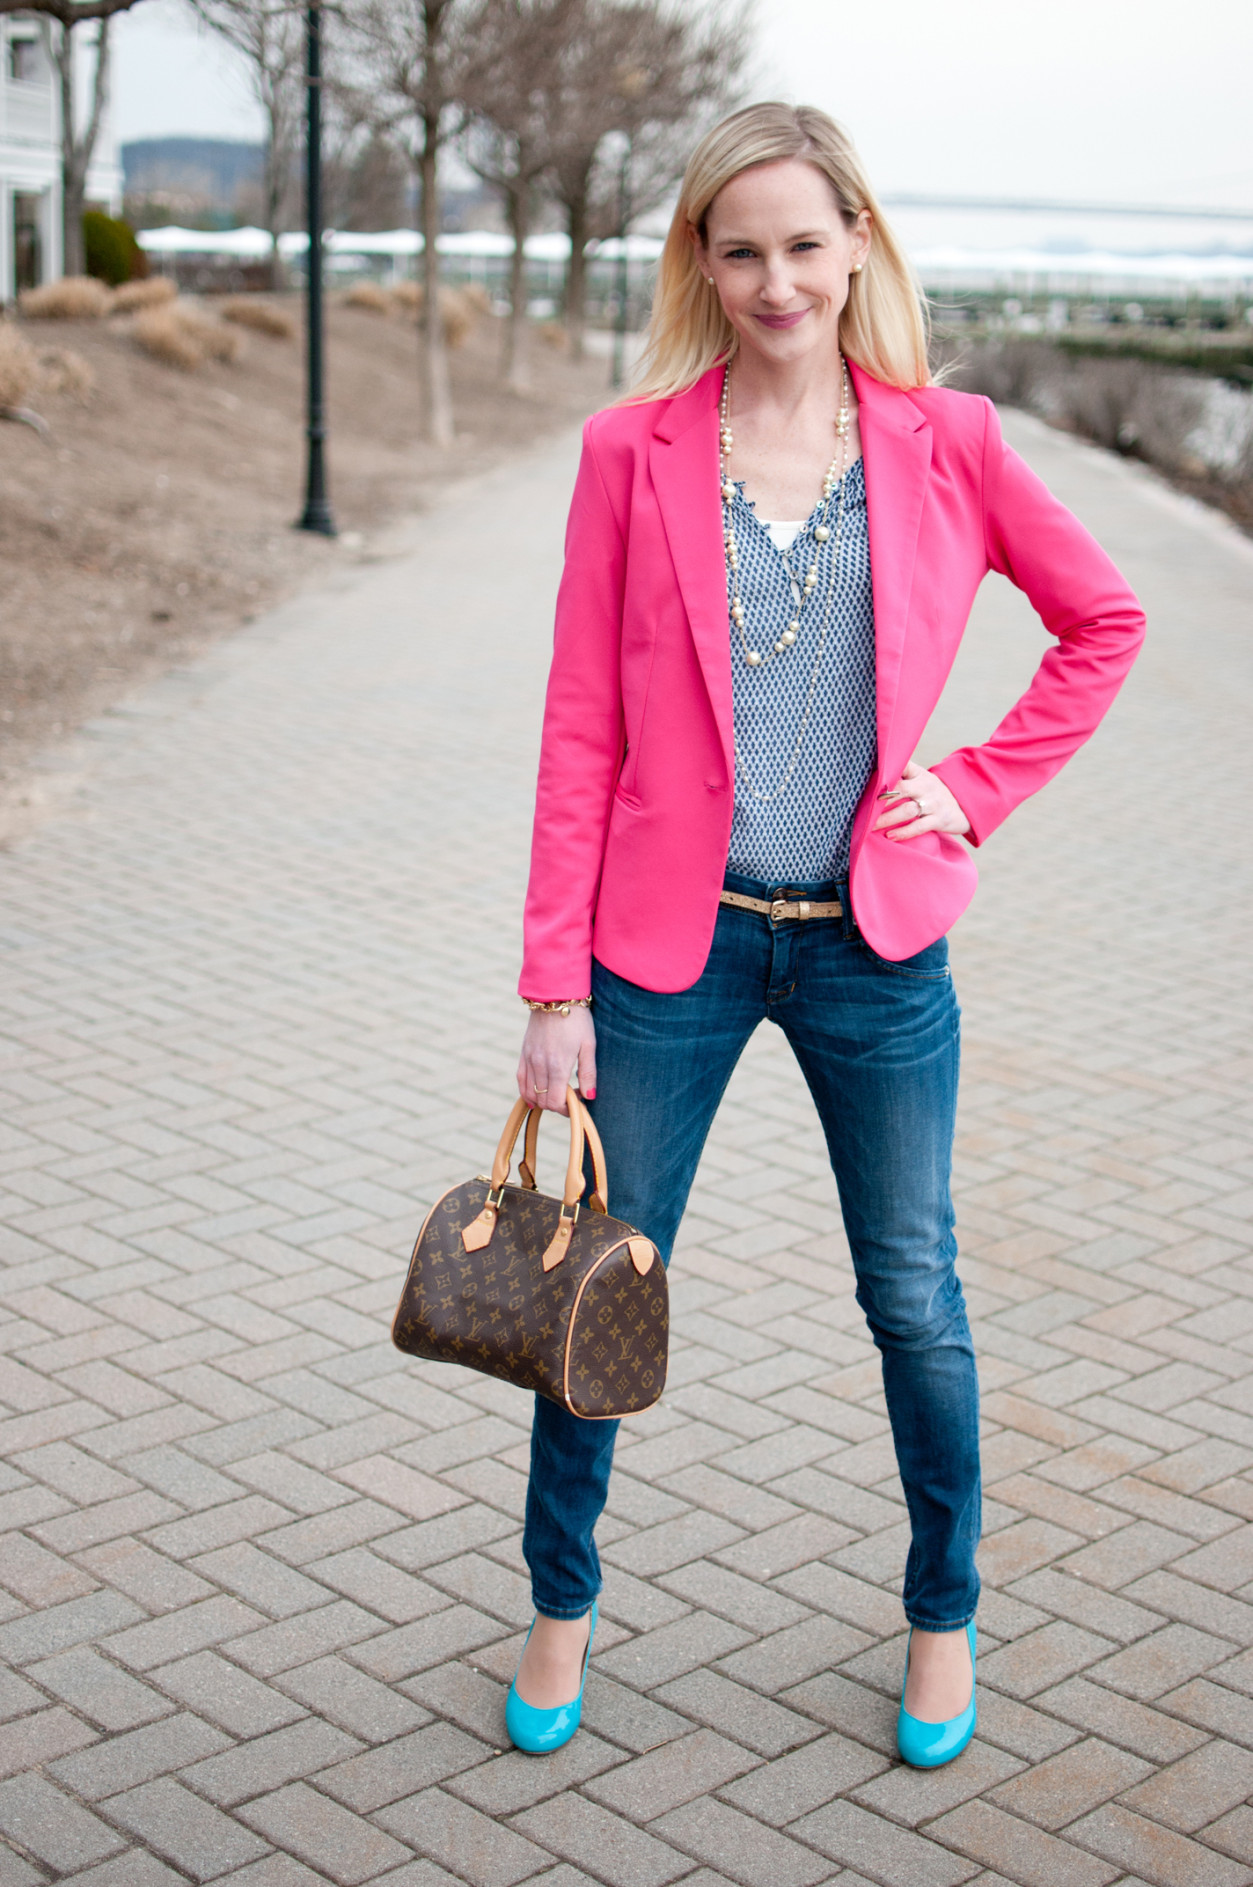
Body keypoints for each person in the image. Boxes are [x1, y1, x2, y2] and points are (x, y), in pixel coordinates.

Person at [507, 102, 1144, 1766]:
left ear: (856, 244)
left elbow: (1104, 619)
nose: (776, 278)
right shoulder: (627, 453)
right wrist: (547, 986)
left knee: (914, 1299)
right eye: (741, 250)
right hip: (671, 950)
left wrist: (979, 786)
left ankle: (943, 1621)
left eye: (804, 243)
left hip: (874, 952)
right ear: (700, 265)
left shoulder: (953, 441)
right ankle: (557, 1611)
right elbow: (582, 725)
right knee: (598, 1290)